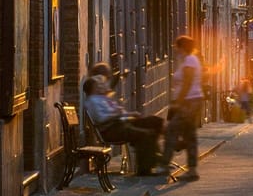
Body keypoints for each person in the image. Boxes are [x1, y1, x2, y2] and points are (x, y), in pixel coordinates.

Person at [81, 74, 164, 176]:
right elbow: (101, 119)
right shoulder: (92, 101)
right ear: (92, 88)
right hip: (111, 129)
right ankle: (146, 168)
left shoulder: (102, 98)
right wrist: (117, 115)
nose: (100, 86)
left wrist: (129, 114)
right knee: (145, 134)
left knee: (154, 121)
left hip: (122, 123)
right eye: (97, 85)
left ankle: (157, 156)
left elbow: (118, 113)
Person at [169, 35, 205, 179]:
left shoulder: (189, 60)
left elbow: (187, 83)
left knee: (171, 130)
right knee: (190, 135)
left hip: (188, 102)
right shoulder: (190, 60)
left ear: (182, 47)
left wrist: (179, 102)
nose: (176, 50)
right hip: (191, 101)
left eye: (177, 47)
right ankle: (192, 170)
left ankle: (163, 166)